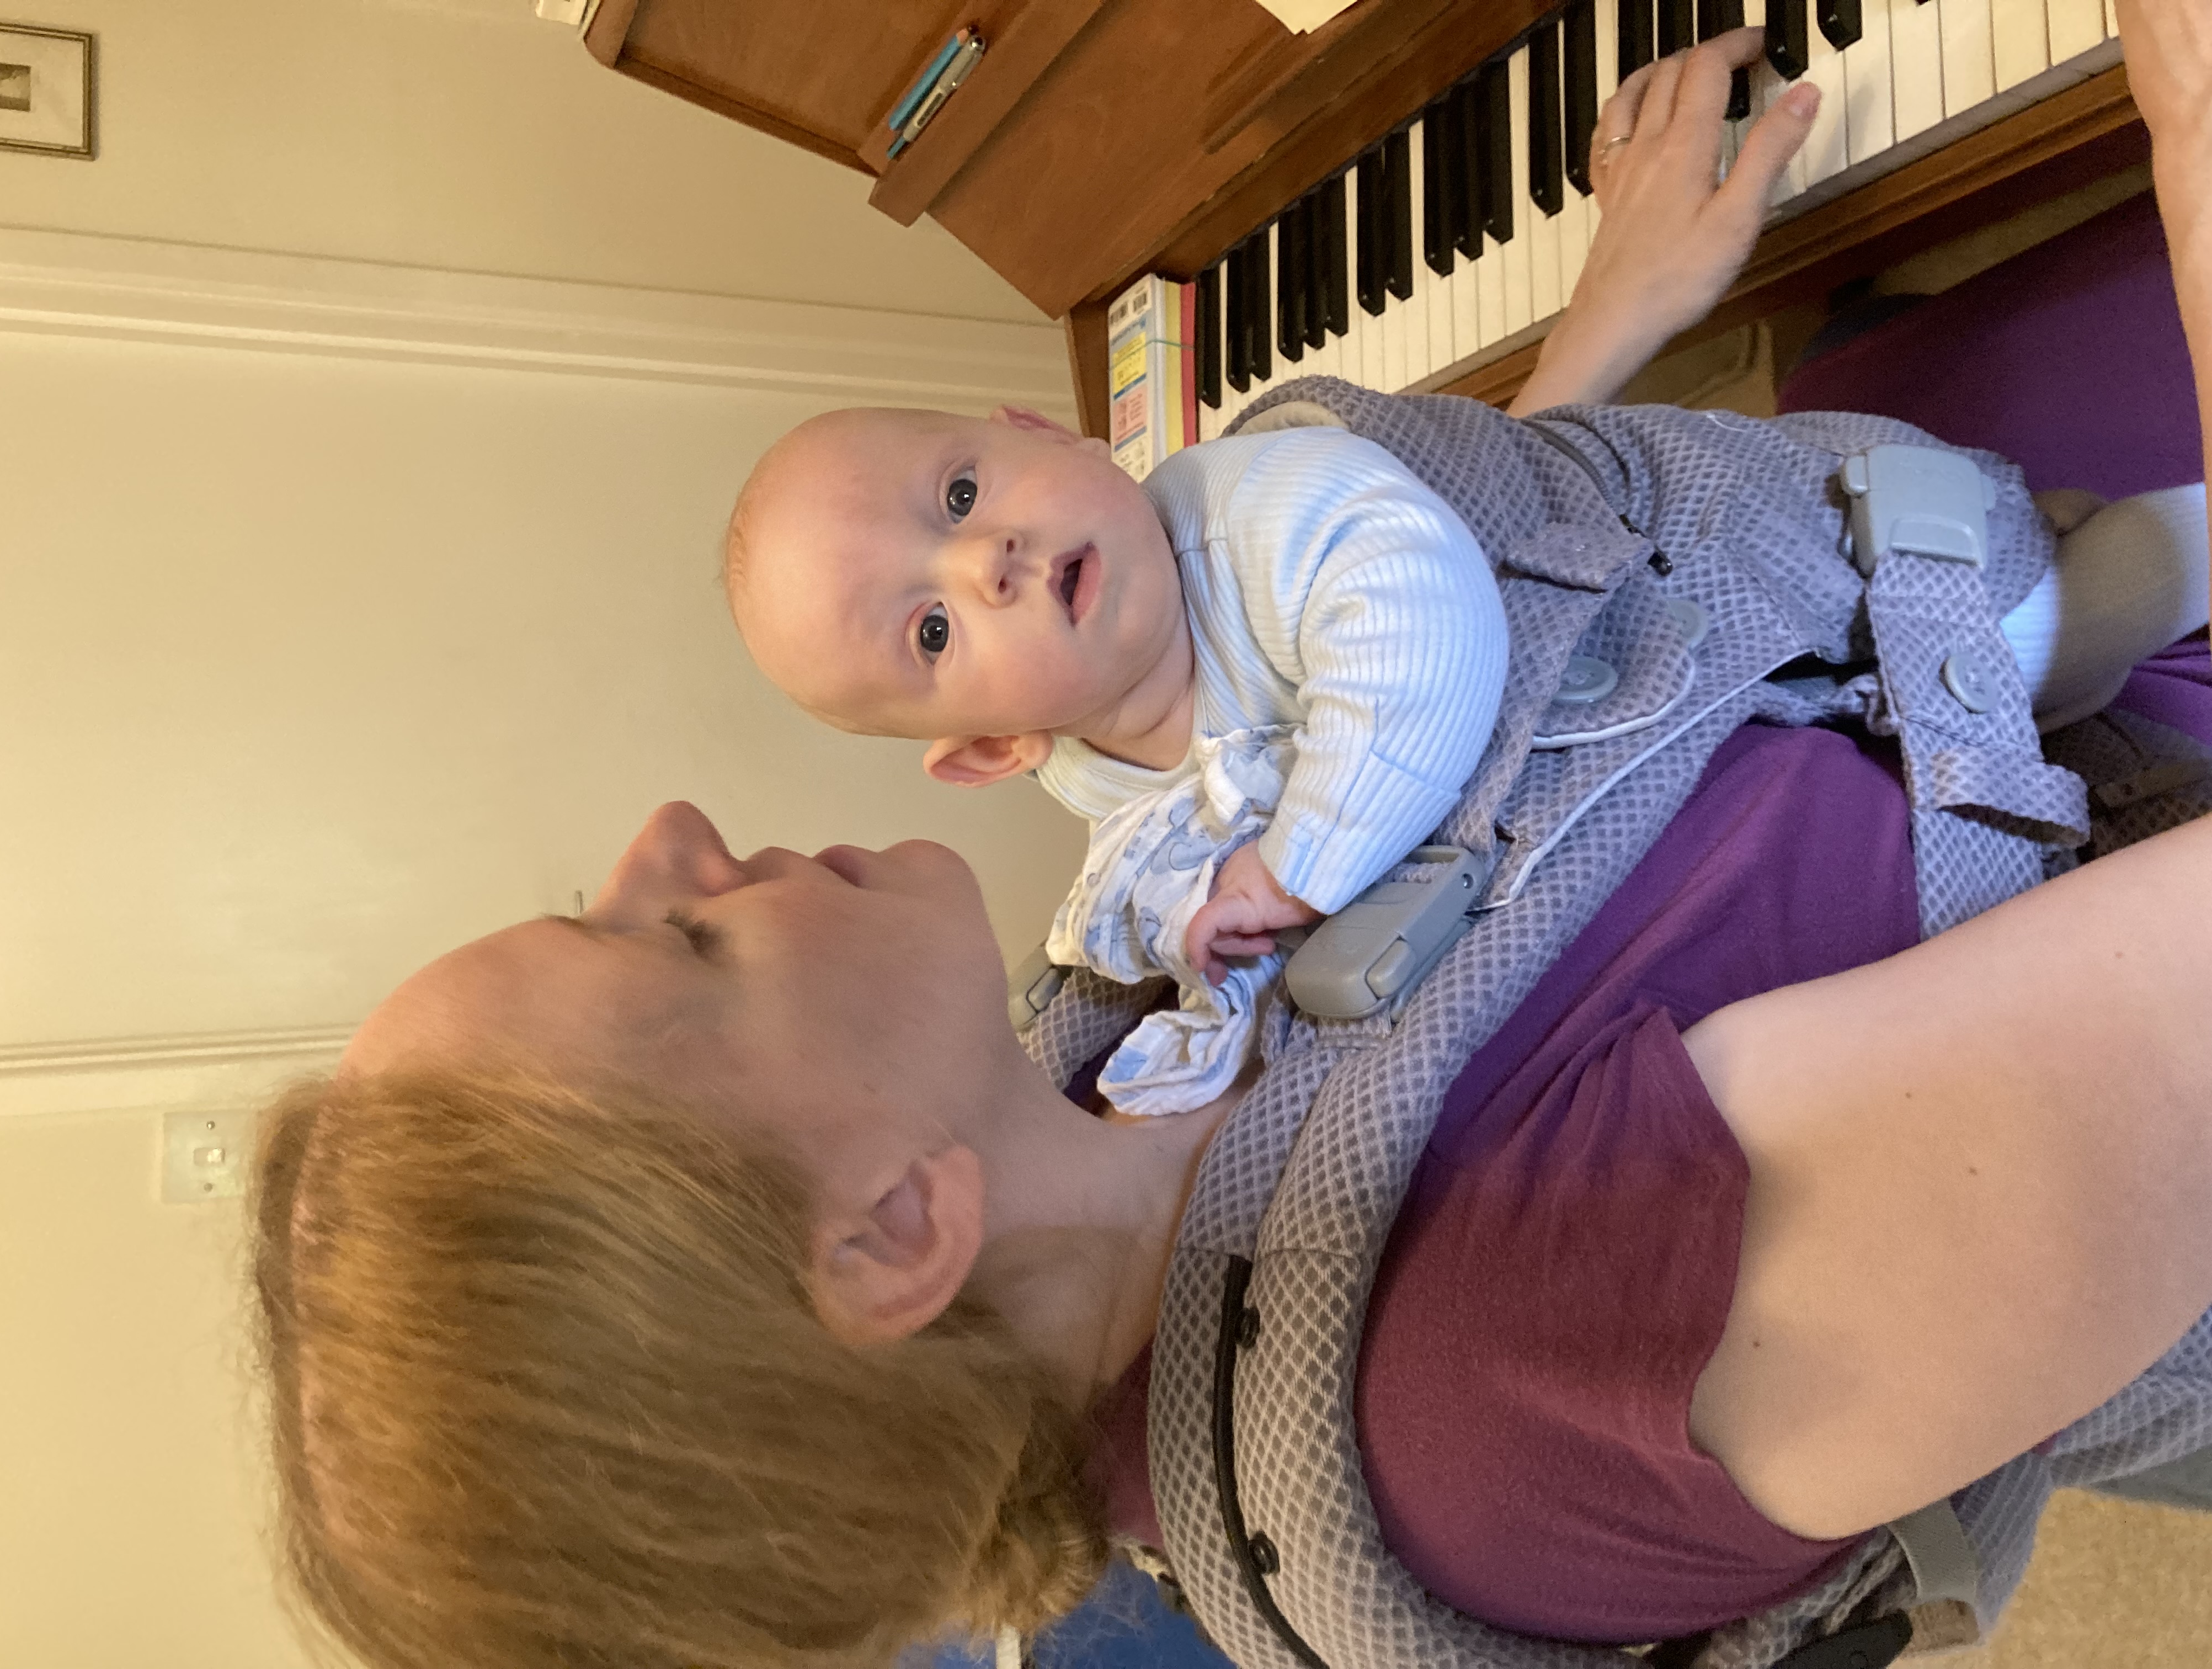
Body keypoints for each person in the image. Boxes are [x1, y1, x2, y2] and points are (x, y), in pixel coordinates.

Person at [249, 14, 2212, 1669]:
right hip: (2133, 752)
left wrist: (1600, 336)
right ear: (887, 1233)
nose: (670, 831)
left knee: (1887, 287)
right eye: (664, 949)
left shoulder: (1117, 1038)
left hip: (1881, 606)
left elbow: (1392, 775)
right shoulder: (1530, 1364)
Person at [724, 24, 2204, 1119]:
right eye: (927, 627)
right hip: (1775, 763)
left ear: (1045, 432)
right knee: (1938, 432)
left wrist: (1292, 873)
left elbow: (1416, 600)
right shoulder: (1110, 838)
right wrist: (1196, 930)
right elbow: (1152, 899)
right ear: (996, 751)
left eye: (966, 492)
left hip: (1773, 578)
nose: (985, 558)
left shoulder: (1258, 501)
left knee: (2022, 566)